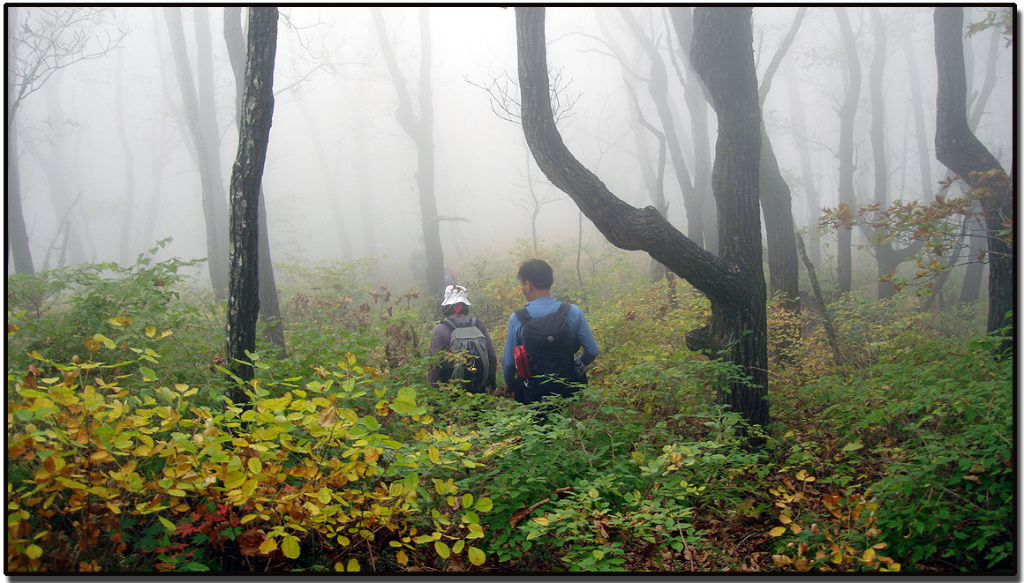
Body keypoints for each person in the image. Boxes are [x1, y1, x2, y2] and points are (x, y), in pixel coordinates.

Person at [502, 259, 598, 404]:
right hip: (568, 389)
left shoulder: (518, 318)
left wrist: (510, 384)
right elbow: (592, 351)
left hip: (534, 394)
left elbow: (509, 363)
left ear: (528, 285)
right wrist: (576, 365)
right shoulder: (573, 312)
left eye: (522, 284)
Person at [428, 285, 498, 393]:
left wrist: (431, 390)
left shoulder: (440, 329)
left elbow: (435, 364)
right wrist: (492, 382)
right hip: (479, 387)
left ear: (446, 306)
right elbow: (492, 356)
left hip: (451, 389)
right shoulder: (478, 325)